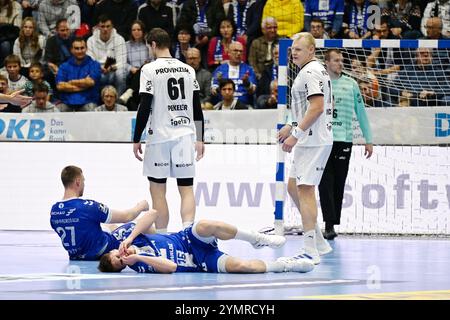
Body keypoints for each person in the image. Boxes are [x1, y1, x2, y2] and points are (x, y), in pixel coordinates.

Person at [133, 28, 205, 234]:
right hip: (185, 135)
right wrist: (200, 138)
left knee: (157, 191)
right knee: (186, 189)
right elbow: (197, 107)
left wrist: (137, 138)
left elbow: (144, 106)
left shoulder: (149, 69)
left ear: (153, 45)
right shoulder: (188, 69)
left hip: (160, 138)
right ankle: (188, 234)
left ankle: (163, 237)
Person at [98, 209, 314, 274]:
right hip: (201, 262)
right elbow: (172, 266)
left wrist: (130, 238)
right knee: (243, 266)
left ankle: (256, 239)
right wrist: (136, 257)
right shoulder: (141, 266)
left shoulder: (135, 237)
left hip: (186, 239)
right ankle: (286, 265)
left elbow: (153, 213)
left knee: (203, 225)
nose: (122, 257)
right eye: (121, 262)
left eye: (117, 255)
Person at [277, 32, 333, 265]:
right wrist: (291, 124)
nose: (293, 52)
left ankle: (310, 249)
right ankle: (319, 240)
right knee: (293, 187)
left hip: (312, 139)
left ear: (311, 50)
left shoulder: (310, 71)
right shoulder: (311, 71)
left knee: (305, 190)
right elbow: (305, 107)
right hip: (309, 138)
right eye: (292, 49)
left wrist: (295, 135)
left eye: (298, 49)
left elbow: (317, 107)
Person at [319, 49, 373, 240]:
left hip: (343, 140)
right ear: (326, 62)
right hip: (323, 140)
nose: (340, 63)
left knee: (338, 183)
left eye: (341, 60)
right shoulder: (319, 83)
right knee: (324, 183)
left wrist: (369, 139)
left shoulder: (351, 84)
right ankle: (328, 223)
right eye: (336, 60)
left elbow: (361, 112)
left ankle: (332, 224)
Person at [50, 165, 150, 260]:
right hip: (103, 250)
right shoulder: (87, 206)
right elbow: (126, 217)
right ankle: (161, 242)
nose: (84, 184)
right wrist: (141, 206)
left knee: (111, 227)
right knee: (142, 224)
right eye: (83, 181)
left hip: (76, 256)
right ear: (78, 182)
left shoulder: (54, 211)